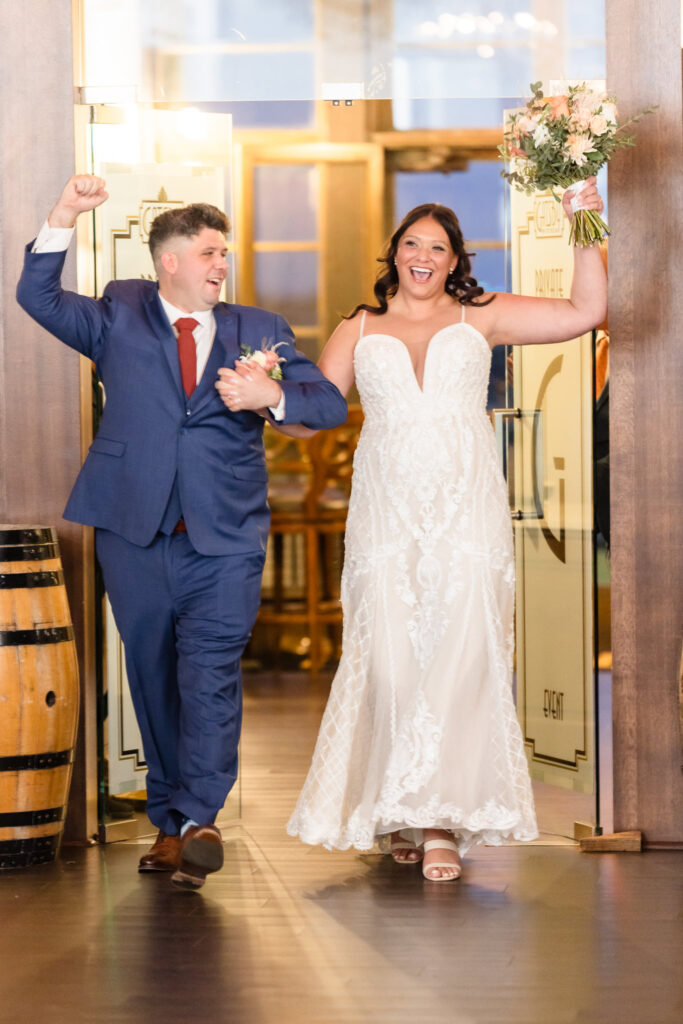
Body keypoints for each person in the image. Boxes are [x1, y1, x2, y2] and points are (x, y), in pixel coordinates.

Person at [17, 174, 347, 891]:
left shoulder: (258, 326)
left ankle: (199, 819)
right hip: (133, 530)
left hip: (224, 536)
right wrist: (65, 212)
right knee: (153, 674)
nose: (222, 264)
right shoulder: (119, 311)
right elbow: (36, 297)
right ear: (169, 261)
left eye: (224, 252)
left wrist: (271, 392)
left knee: (210, 673)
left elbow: (326, 403)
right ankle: (172, 824)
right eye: (208, 253)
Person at [283, 179, 607, 881]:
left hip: (466, 511)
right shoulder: (357, 328)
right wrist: (264, 397)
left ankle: (437, 824)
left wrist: (585, 221)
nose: (422, 257)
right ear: (394, 254)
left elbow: (586, 312)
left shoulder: (480, 315)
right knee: (391, 658)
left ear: (455, 260)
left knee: (459, 655)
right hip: (385, 514)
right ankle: (398, 811)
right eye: (412, 244)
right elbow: (312, 416)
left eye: (437, 247)